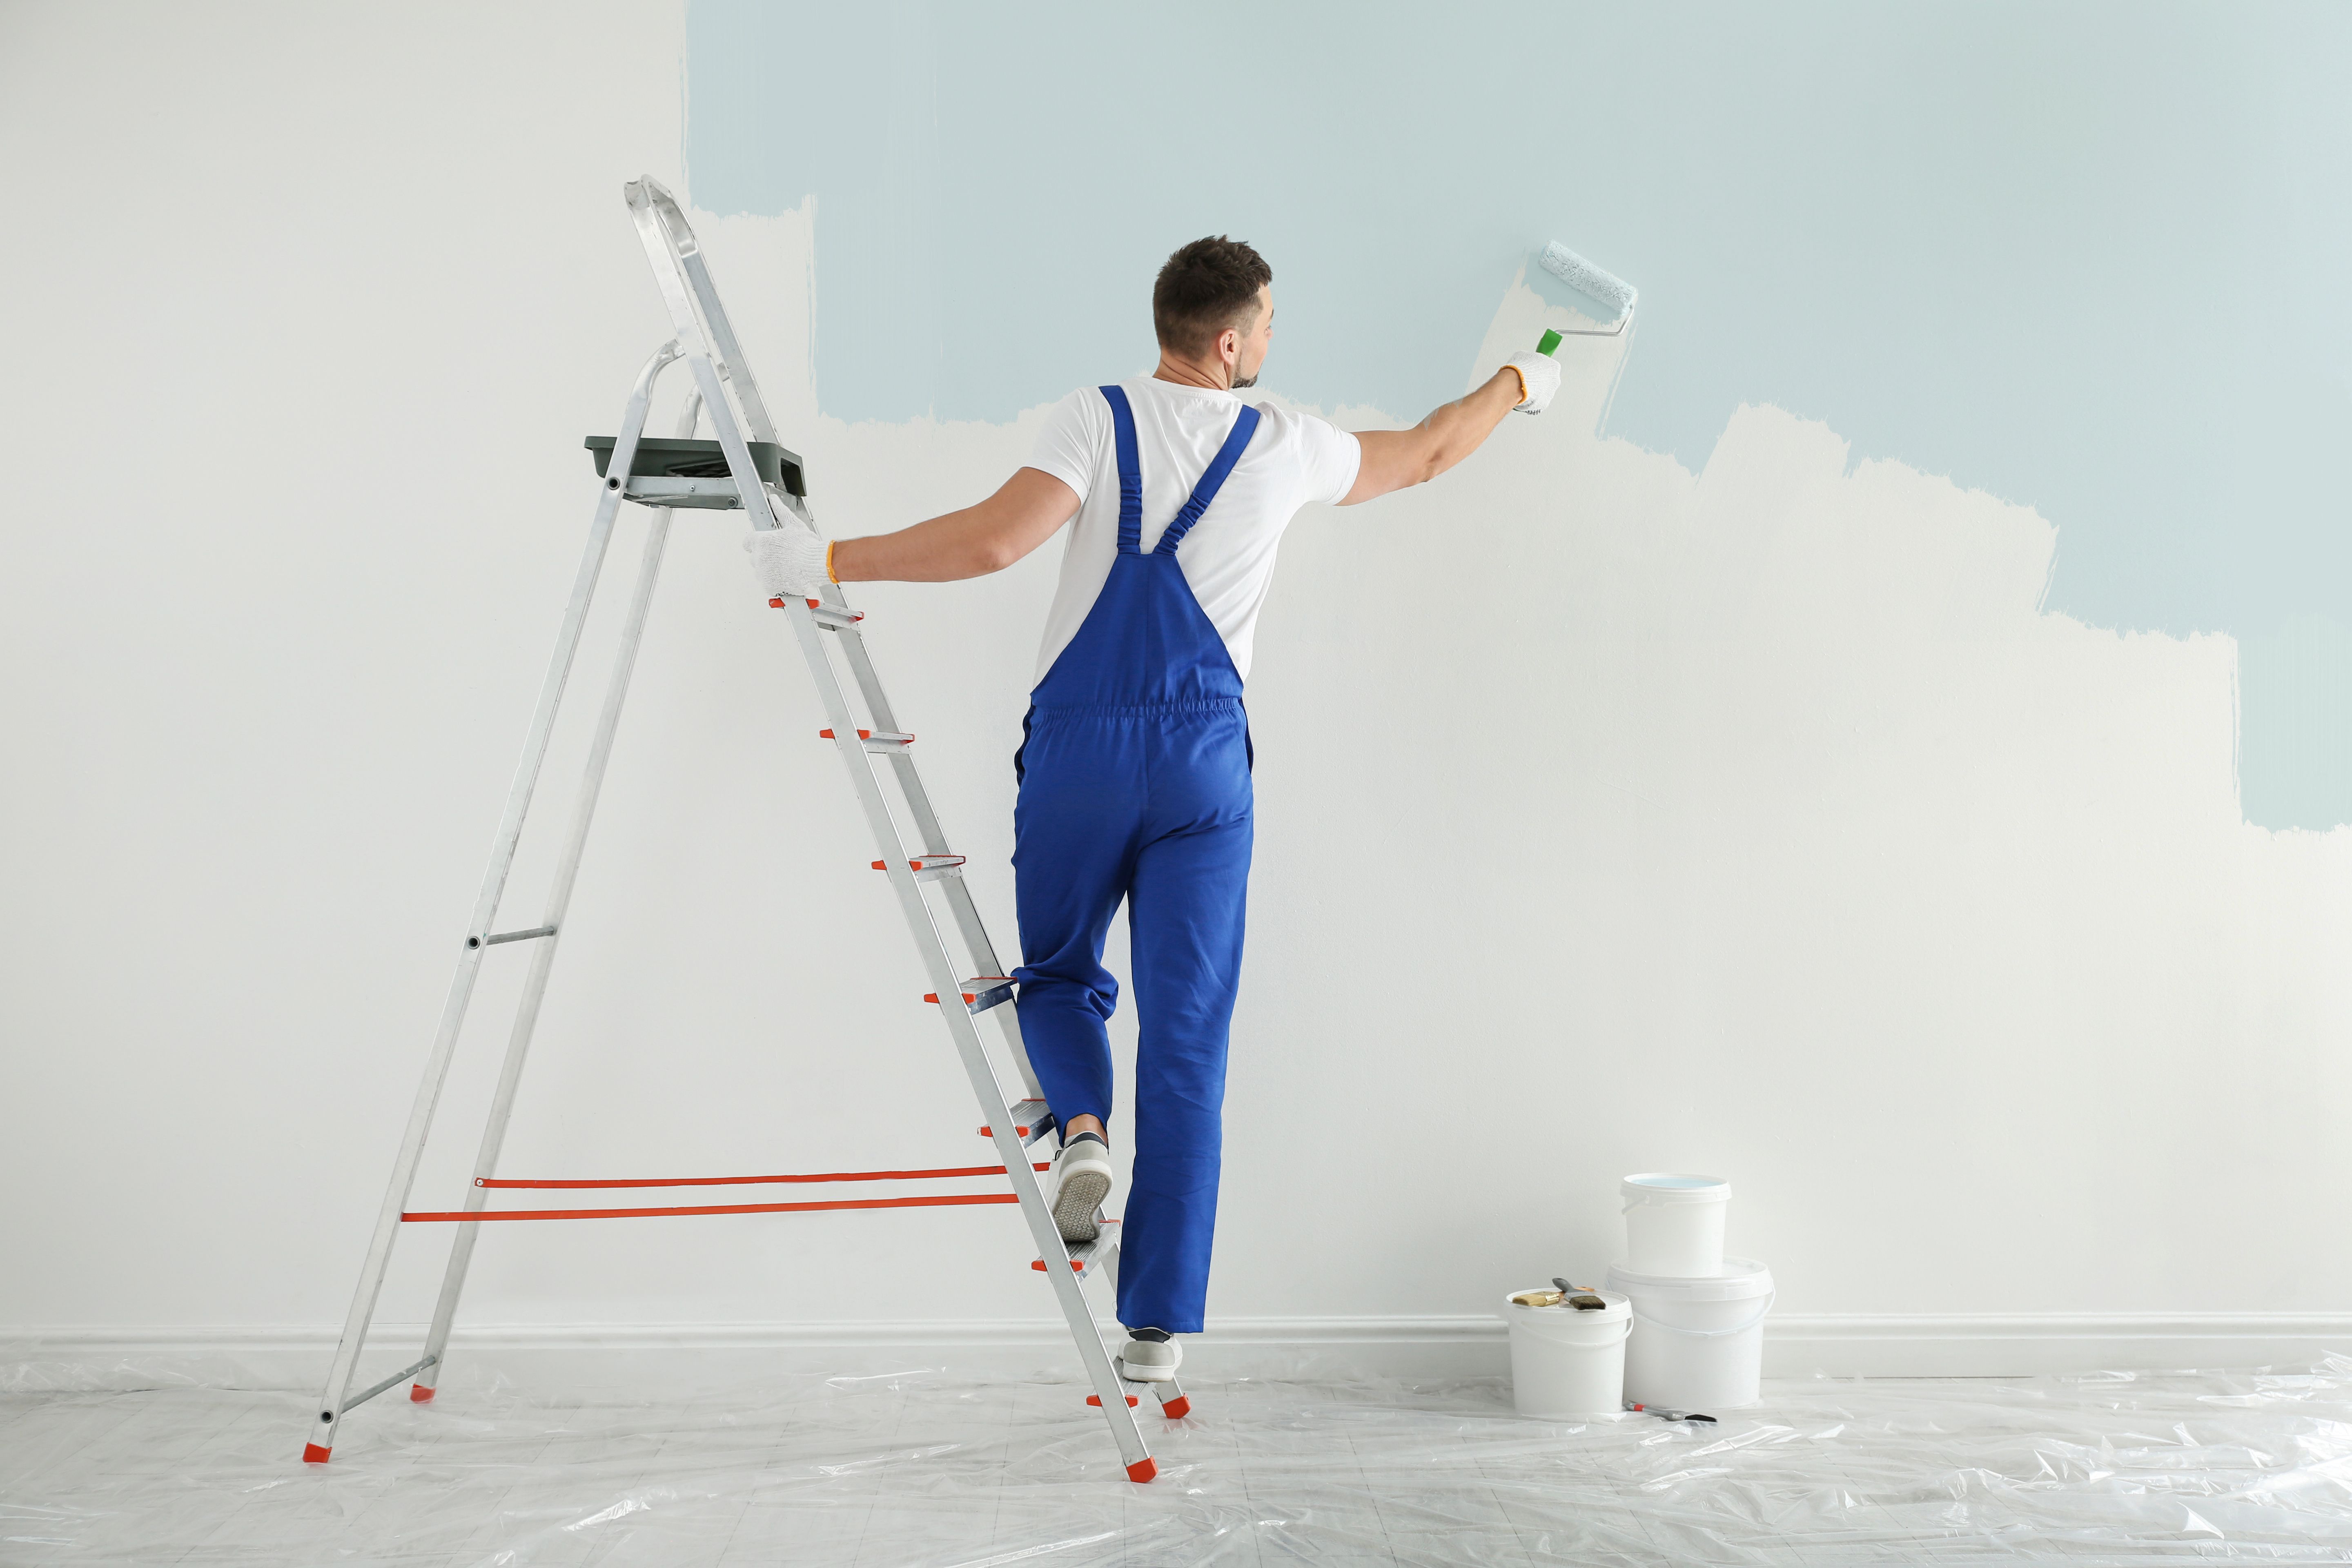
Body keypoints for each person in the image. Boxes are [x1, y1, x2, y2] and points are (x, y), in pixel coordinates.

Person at [747, 236, 1559, 1385]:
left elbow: (992, 541)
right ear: (1231, 342)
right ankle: (1157, 1328)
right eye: (1269, 321)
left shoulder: (1097, 417)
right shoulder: (1283, 444)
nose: (1275, 338)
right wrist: (1523, 383)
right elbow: (1429, 452)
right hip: (1202, 767)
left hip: (1079, 748)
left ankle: (1082, 1132)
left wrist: (825, 555)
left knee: (1060, 974)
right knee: (1188, 1037)